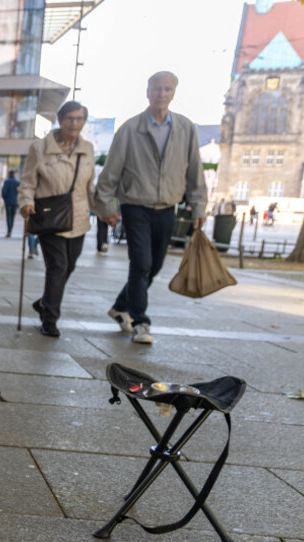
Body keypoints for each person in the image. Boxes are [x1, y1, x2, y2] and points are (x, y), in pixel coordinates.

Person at [95, 71, 207, 345]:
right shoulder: (130, 129)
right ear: (148, 92)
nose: (162, 94)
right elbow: (111, 172)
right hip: (135, 205)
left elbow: (195, 170)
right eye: (157, 89)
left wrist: (199, 206)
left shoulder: (185, 128)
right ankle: (140, 323)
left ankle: (121, 306)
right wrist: (107, 206)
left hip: (167, 207)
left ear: (174, 93)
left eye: (167, 89)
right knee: (141, 263)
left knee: (155, 265)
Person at [18, 101, 96, 337]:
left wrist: (104, 210)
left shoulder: (88, 148)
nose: (74, 123)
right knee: (58, 266)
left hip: (78, 218)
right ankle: (50, 318)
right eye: (70, 118)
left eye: (79, 119)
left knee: (69, 266)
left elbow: (90, 186)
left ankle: (44, 302)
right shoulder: (40, 148)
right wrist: (26, 202)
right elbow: (28, 181)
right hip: (49, 216)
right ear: (60, 120)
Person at [1, 170, 20, 238]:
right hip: (15, 201)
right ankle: (10, 230)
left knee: (8, 216)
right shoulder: (17, 182)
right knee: (12, 216)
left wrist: (5, 199)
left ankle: (9, 231)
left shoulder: (6, 181)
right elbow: (20, 192)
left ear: (9, 174)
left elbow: (3, 192)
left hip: (8, 202)